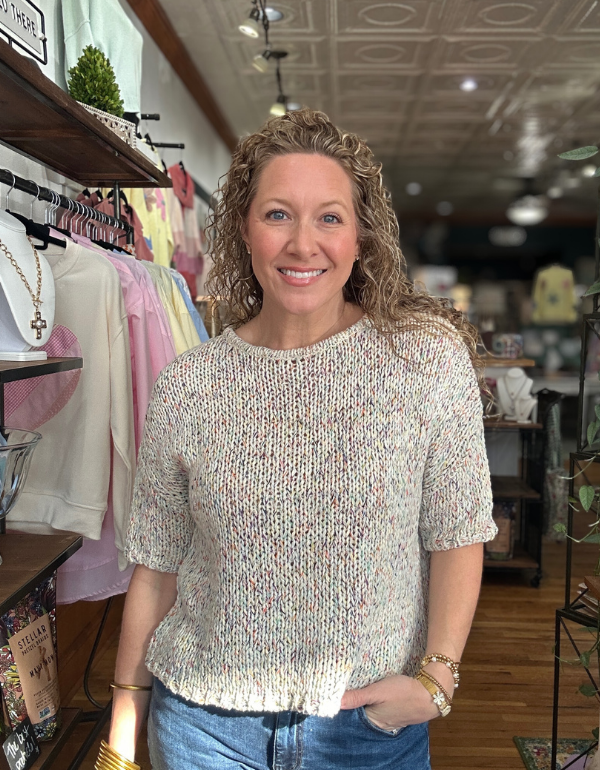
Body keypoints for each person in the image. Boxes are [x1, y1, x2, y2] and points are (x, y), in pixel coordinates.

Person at [97, 109, 497, 770]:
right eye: (278, 214)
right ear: (244, 229)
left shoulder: (425, 361)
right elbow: (157, 566)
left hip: (367, 730)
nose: (302, 244)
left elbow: (458, 532)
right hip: (202, 731)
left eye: (329, 218)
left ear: (361, 236)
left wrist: (437, 679)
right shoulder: (189, 384)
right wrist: (123, 720)